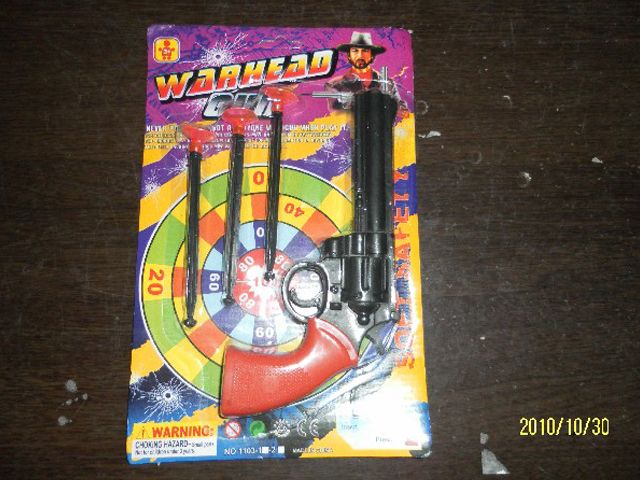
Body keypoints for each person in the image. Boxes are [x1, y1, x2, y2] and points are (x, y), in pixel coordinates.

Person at [326, 31, 408, 115]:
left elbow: (402, 111)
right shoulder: (335, 84)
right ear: (349, 56)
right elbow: (336, 113)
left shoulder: (388, 83)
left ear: (372, 56)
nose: (360, 55)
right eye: (355, 51)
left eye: (365, 51)